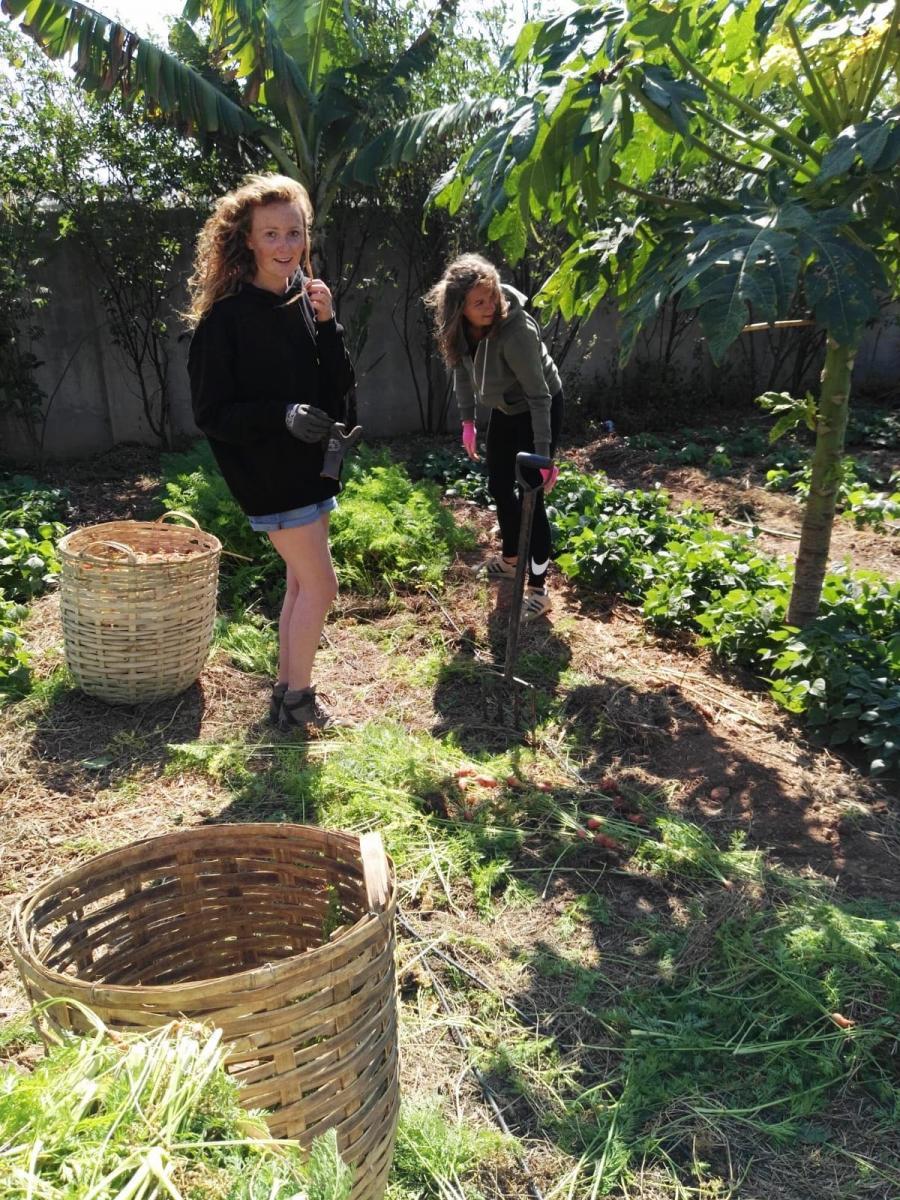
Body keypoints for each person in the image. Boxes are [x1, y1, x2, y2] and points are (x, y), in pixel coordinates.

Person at [186, 174, 355, 732]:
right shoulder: (225, 321)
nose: (285, 246)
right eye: (272, 235)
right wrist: (280, 414)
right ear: (249, 241)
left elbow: (337, 393)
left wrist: (328, 325)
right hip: (269, 474)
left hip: (309, 469)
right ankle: (301, 698)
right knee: (322, 585)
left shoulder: (304, 302)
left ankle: (286, 691)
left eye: (294, 233)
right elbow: (212, 414)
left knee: (302, 583)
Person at [425, 254, 563, 621]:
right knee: (499, 485)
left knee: (530, 497)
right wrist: (468, 421)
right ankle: (511, 559)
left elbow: (540, 396)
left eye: (492, 297)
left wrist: (545, 455)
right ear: (459, 308)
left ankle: (538, 590)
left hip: (537, 406)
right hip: (505, 410)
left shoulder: (515, 332)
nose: (490, 307)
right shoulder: (461, 329)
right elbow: (462, 371)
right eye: (479, 302)